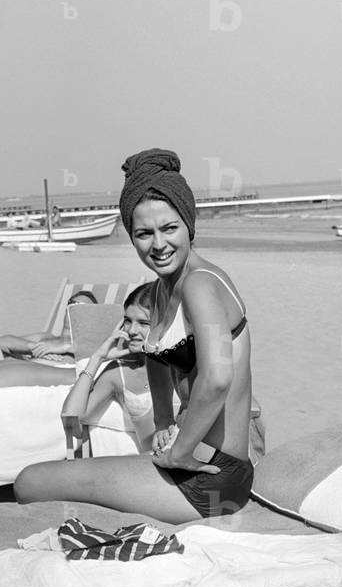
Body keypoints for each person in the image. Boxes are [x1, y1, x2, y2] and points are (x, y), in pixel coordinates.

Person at [15, 148, 254, 522]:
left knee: (30, 482)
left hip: (215, 478)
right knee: (36, 482)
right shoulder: (161, 291)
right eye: (144, 233)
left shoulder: (200, 285)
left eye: (169, 228)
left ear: (189, 224)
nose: (158, 245)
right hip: (189, 460)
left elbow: (218, 378)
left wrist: (179, 450)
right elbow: (158, 360)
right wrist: (163, 423)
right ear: (131, 236)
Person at [60, 283, 156, 455]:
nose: (132, 330)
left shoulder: (186, 367)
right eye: (128, 321)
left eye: (143, 323)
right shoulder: (119, 373)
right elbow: (71, 421)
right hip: (150, 466)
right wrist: (97, 358)